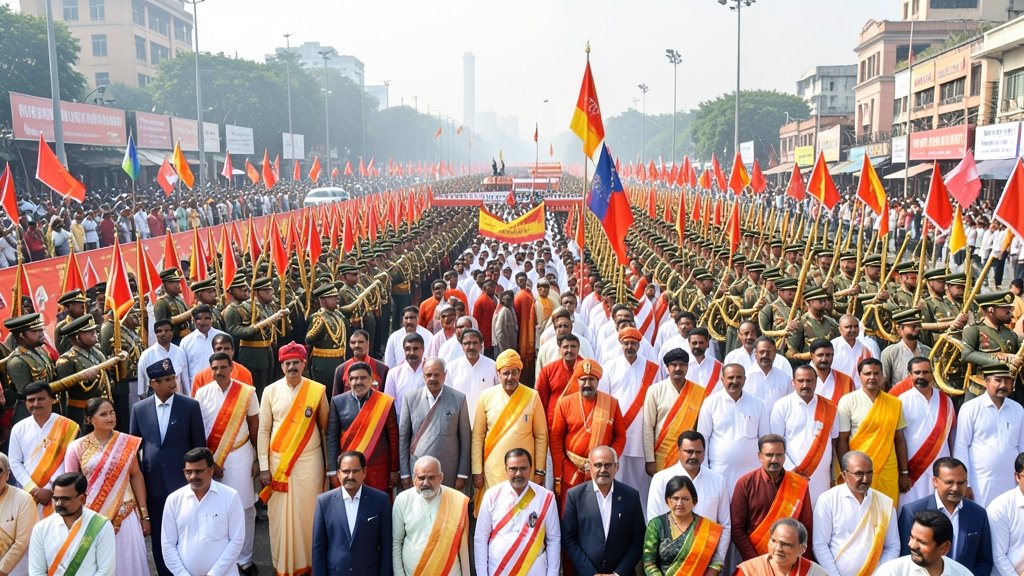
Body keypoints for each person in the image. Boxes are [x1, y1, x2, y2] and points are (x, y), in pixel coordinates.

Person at [129, 359, 207, 576]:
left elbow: (199, 446)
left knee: (187, 533)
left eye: (173, 377)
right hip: (153, 484)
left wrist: (199, 481)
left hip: (184, 483)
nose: (173, 383)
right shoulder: (139, 409)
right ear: (153, 383)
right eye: (166, 379)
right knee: (160, 537)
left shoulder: (190, 406)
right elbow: (133, 449)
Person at [257, 342, 329, 576]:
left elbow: (325, 428)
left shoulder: (317, 390)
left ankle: (310, 563)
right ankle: (284, 566)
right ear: (281, 366)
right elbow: (263, 430)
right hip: (279, 464)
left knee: (309, 513)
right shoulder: (270, 391)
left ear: (304, 364)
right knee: (280, 517)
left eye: (296, 362)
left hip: (310, 463)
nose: (292, 367)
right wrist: (264, 466)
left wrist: (329, 466)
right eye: (287, 363)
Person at [63, 398, 149, 576]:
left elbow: (136, 475)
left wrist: (144, 514)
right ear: (89, 419)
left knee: (127, 562)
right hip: (92, 515)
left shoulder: (126, 443)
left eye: (112, 412)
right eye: (103, 414)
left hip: (125, 514)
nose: (110, 417)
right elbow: (70, 485)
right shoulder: (76, 447)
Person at [193, 352, 260, 575]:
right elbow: (198, 430)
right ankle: (219, 558)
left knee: (245, 508)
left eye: (223, 367)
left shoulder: (247, 393)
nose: (219, 372)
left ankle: (245, 559)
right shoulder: (202, 393)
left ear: (231, 368)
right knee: (215, 509)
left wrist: (258, 459)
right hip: (211, 459)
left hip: (241, 455)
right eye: (215, 368)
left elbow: (255, 427)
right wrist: (209, 463)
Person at [471, 350, 548, 512]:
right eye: (506, 373)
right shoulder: (486, 396)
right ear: (498, 374)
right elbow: (477, 437)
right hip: (494, 470)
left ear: (520, 373)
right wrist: (477, 471)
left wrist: (540, 471)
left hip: (524, 469)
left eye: (514, 372)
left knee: (523, 512)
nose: (510, 377)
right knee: (496, 511)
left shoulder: (532, 396)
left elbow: (541, 436)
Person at [897, 457, 992, 575]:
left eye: (961, 483)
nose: (955, 488)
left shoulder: (978, 514)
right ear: (935, 481)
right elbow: (906, 558)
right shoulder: (912, 511)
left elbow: (984, 561)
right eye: (949, 482)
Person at [836, 357, 911, 506]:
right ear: (859, 376)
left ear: (882, 376)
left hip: (888, 469)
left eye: (876, 373)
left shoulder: (894, 403)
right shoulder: (847, 401)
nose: (872, 377)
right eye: (867, 373)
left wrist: (904, 472)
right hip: (858, 469)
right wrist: (846, 470)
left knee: (887, 510)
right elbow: (842, 440)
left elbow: (899, 440)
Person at [474, 448, 560, 576]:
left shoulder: (546, 497)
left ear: (531, 469)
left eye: (523, 468)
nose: (518, 473)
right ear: (506, 470)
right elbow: (481, 538)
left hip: (535, 571)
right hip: (499, 570)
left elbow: (554, 539)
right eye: (513, 469)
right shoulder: (491, 495)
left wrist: (552, 573)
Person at [812, 450, 899, 576]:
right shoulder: (827, 500)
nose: (866, 479)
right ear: (844, 475)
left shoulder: (885, 504)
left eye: (869, 473)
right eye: (859, 474)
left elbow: (892, 546)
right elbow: (820, 545)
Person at [561, 446, 644, 576]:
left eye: (608, 465)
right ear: (589, 467)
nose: (603, 470)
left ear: (616, 467)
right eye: (598, 465)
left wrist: (618, 573)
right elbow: (568, 538)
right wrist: (590, 573)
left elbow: (639, 539)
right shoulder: (575, 496)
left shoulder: (630, 496)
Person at [550, 359, 625, 503]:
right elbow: (556, 439)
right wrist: (561, 469)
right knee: (570, 512)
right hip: (571, 470)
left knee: (600, 511)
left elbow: (620, 436)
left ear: (598, 381)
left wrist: (609, 461)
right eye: (583, 379)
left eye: (591, 379)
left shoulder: (611, 403)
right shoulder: (564, 403)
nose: (587, 384)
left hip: (601, 471)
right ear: (577, 380)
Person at [161, 447, 244, 576]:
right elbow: (168, 545)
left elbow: (237, 540)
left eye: (198, 471)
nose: (193, 476)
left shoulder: (230, 496)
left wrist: (214, 574)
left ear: (211, 470)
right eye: (189, 472)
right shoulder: (174, 500)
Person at [731, 434, 815, 561]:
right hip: (755, 559)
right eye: (769, 455)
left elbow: (806, 526)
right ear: (760, 456)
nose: (774, 460)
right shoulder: (745, 483)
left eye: (779, 455)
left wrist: (800, 562)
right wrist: (756, 562)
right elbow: (737, 528)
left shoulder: (798, 484)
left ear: (784, 456)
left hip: (790, 558)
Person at [953, 363, 1024, 507]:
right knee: (982, 517)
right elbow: (961, 447)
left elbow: (1021, 446)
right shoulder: (970, 408)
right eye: (998, 380)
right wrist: (965, 483)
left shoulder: (1017, 409)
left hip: (1011, 482)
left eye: (1007, 381)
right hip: (980, 483)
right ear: (986, 382)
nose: (1003, 385)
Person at [313, 451, 393, 576]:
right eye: (346, 471)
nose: (350, 476)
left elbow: (386, 545)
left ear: (364, 472)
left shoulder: (380, 500)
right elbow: (318, 548)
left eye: (355, 471)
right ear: (338, 474)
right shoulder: (324, 502)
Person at [769, 365, 839, 503]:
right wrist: (792, 469)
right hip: (791, 475)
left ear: (816, 382)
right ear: (793, 382)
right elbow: (776, 443)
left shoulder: (830, 407)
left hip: (822, 478)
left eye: (809, 380)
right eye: (801, 381)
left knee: (820, 511)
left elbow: (834, 442)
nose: (805, 385)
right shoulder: (781, 405)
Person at [399, 358, 472, 490]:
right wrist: (404, 473)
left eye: (437, 375)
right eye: (429, 375)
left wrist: (462, 474)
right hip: (419, 470)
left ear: (444, 375)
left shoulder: (458, 399)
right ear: (423, 376)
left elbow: (465, 439)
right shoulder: (410, 399)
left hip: (448, 470)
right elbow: (403, 438)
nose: (432, 378)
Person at [327, 362, 400, 494]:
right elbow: (332, 437)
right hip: (349, 469)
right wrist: (332, 470)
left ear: (371, 380)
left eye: (363, 378)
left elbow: (393, 438)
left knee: (378, 503)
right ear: (349, 381)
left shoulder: (385, 402)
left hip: (378, 468)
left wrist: (395, 470)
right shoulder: (337, 402)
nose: (358, 382)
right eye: (354, 378)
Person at [891, 357, 955, 507]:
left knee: (939, 509)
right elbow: (897, 438)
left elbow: (952, 437)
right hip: (913, 470)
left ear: (932, 374)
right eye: (917, 372)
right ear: (910, 375)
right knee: (912, 510)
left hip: (941, 468)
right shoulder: (901, 401)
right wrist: (903, 472)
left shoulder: (946, 400)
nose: (921, 376)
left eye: (925, 372)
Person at [392, 455, 471, 576]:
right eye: (421, 478)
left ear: (441, 477)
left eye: (431, 478)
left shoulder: (457, 500)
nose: (426, 483)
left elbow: (464, 548)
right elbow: (396, 542)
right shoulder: (402, 500)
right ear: (414, 479)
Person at [9, 382, 78, 519]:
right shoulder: (19, 428)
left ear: (52, 399)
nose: (35, 404)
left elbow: (71, 461)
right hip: (28, 495)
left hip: (60, 494)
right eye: (31, 400)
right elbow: (14, 462)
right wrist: (33, 489)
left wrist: (50, 487)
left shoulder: (69, 427)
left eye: (40, 399)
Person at [697, 363, 771, 490]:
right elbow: (703, 438)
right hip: (719, 471)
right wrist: (704, 470)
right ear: (722, 380)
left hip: (751, 471)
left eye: (739, 377)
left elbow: (765, 440)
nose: (735, 381)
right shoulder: (710, 403)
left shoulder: (758, 404)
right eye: (730, 377)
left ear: (745, 380)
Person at [27, 472, 115, 575]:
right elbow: (36, 572)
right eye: (56, 499)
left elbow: (106, 571)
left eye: (65, 499)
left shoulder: (101, 526)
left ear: (82, 499)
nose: (58, 503)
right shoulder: (41, 529)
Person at [641, 474, 725, 575]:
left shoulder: (706, 528)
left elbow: (716, 562)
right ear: (667, 500)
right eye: (675, 498)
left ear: (694, 501)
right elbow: (649, 564)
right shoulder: (656, 524)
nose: (680, 503)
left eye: (685, 499)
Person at [643, 348, 705, 474]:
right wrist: (650, 460)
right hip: (662, 455)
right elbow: (648, 427)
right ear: (667, 368)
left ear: (687, 367)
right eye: (674, 365)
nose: (678, 368)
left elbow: (703, 428)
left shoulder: (699, 392)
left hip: (690, 455)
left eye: (682, 365)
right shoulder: (655, 390)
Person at [876, 511, 973, 575]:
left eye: (922, 542)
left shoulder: (963, 573)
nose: (912, 545)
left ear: (944, 547)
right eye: (912, 537)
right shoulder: (890, 572)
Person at [734, 518, 829, 576]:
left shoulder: (814, 572)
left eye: (786, 544)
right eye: (773, 541)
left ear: (802, 549)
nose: (778, 548)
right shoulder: (749, 571)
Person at [446, 328, 497, 426]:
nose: (471, 347)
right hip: (459, 422)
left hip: (486, 421)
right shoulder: (451, 368)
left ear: (481, 345)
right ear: (462, 346)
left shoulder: (492, 366)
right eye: (467, 343)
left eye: (475, 343)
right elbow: (447, 398)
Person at [0, 452, 35, 576]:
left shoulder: (23, 499)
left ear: (8, 474)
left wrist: (2, 571)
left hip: (15, 571)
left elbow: (22, 542)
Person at [137, 319, 189, 397]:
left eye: (167, 330)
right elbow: (141, 388)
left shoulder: (180, 352)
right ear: (155, 334)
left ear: (172, 333)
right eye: (159, 331)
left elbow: (185, 381)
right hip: (155, 399)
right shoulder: (146, 355)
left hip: (178, 398)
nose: (163, 333)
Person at [178, 304, 226, 388]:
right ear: (193, 320)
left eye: (207, 318)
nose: (203, 322)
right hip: (196, 387)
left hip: (220, 386)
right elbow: (184, 371)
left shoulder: (223, 337)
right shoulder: (186, 342)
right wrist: (188, 392)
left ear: (212, 319)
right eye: (199, 319)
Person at [332, 330, 388, 396]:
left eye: (360, 342)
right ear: (349, 345)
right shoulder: (341, 369)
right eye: (353, 342)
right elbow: (336, 398)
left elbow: (387, 396)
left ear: (368, 343)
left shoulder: (382, 368)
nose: (356, 345)